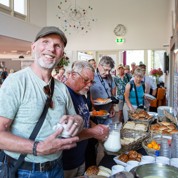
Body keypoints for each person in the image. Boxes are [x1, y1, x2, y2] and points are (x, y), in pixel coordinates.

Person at [0, 26, 84, 178]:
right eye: (45, 42)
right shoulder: (16, 82)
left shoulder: (61, 88)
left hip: (57, 167)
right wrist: (37, 148)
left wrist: (76, 121)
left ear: (62, 54)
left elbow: (78, 118)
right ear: (33, 47)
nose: (51, 49)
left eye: (57, 45)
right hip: (24, 170)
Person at [62, 60, 109, 178]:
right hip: (66, 162)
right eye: (86, 80)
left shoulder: (80, 94)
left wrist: (96, 127)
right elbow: (67, 132)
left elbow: (86, 117)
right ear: (73, 75)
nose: (89, 84)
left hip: (79, 158)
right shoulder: (63, 94)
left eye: (91, 82)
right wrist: (94, 132)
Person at [90, 55, 116, 125]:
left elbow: (113, 90)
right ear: (99, 66)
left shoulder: (109, 77)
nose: (107, 73)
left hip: (107, 113)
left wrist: (112, 107)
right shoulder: (91, 76)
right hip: (95, 115)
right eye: (105, 70)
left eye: (109, 70)